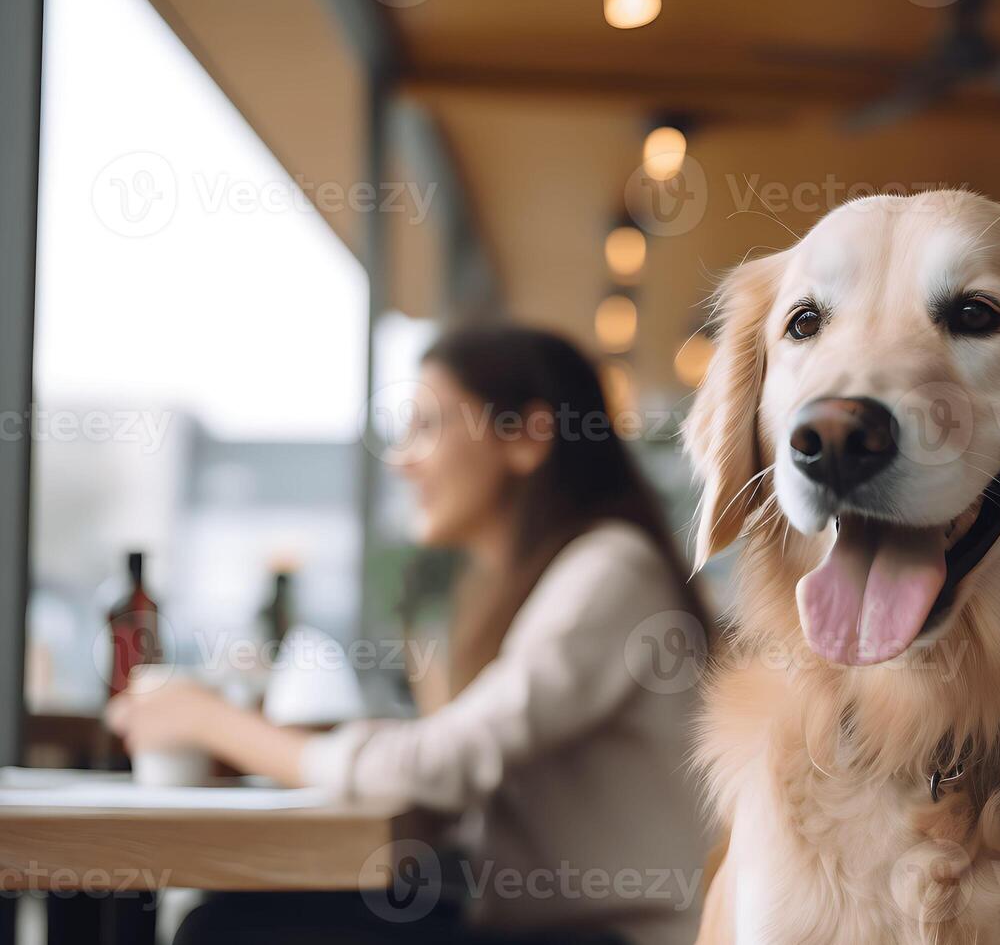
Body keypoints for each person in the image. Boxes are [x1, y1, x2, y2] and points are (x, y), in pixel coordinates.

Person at [106, 325, 710, 945]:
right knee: (230, 919)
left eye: (427, 426)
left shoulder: (611, 571)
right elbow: (449, 764)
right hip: (549, 924)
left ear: (527, 437)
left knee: (225, 930)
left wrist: (213, 723)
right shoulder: (542, 581)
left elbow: (438, 766)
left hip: (617, 936)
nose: (401, 459)